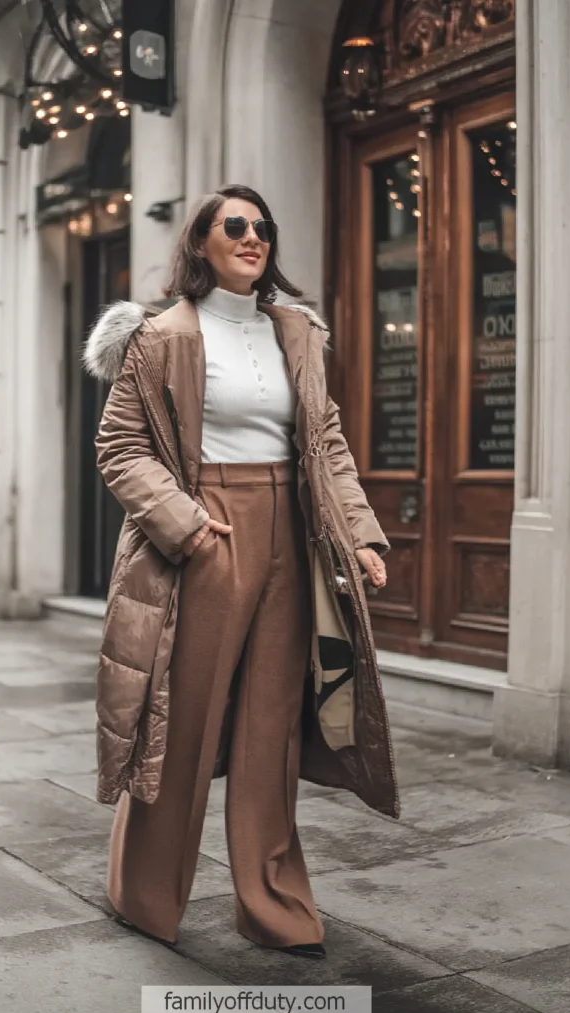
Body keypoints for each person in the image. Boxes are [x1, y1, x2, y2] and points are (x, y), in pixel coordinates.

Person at [83, 184, 399, 960]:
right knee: (182, 720)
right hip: (208, 529)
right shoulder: (161, 337)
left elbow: (326, 444)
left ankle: (273, 903)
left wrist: (358, 535)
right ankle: (144, 892)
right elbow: (119, 448)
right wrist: (185, 525)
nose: (252, 235)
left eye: (262, 226)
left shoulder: (296, 332)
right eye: (234, 224)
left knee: (271, 727)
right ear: (200, 242)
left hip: (293, 527)